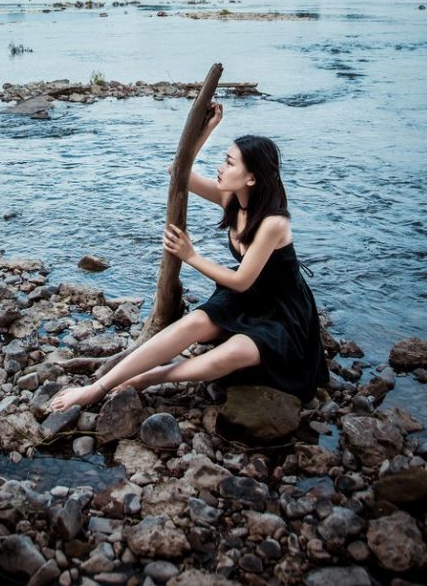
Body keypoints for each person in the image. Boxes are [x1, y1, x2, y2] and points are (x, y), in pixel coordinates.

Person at [50, 103, 328, 411]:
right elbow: (177, 171)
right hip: (247, 300)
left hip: (282, 312)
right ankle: (96, 387)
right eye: (225, 160)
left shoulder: (274, 223)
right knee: (192, 323)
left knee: (234, 353)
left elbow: (240, 280)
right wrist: (207, 129)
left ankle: (155, 377)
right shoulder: (231, 200)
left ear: (251, 178)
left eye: (229, 163)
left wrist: (191, 255)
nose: (221, 168)